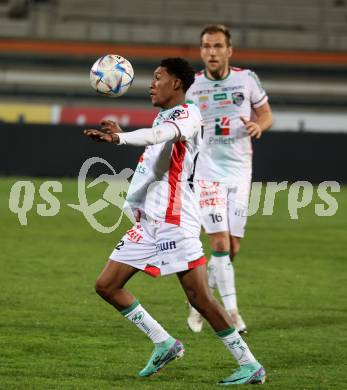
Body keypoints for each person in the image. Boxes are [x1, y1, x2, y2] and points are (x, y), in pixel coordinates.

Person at [84, 57, 266, 385]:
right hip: (149, 223)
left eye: (157, 78)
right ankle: (164, 343)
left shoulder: (188, 114)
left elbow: (159, 136)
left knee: (200, 298)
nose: (151, 84)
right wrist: (123, 135)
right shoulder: (166, 116)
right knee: (107, 285)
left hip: (174, 221)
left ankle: (249, 363)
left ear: (176, 84)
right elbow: (157, 148)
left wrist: (119, 140)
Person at [185, 25, 273, 333]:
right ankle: (232, 313)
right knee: (220, 242)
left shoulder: (246, 79)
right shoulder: (192, 87)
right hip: (207, 173)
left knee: (232, 248)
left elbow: (266, 114)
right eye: (206, 46)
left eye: (218, 46)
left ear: (229, 51)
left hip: (240, 172)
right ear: (201, 51)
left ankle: (198, 301)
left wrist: (259, 126)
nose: (212, 52)